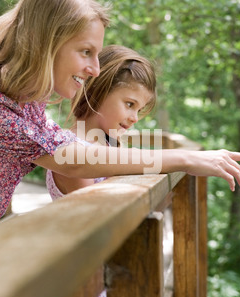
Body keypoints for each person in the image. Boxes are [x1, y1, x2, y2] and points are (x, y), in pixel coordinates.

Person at [0, 0, 240, 265]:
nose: (95, 68)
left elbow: (67, 144)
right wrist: (186, 158)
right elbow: (68, 156)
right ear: (45, 41)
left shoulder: (18, 100)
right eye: (85, 51)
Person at [46, 44, 157, 199]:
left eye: (139, 110)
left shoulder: (108, 144)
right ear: (100, 90)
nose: (135, 118)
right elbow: (95, 213)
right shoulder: (73, 152)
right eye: (130, 104)